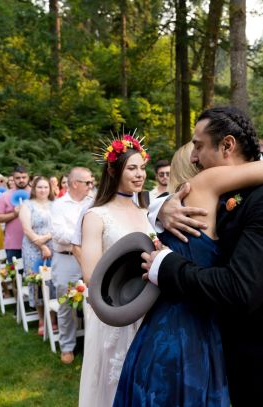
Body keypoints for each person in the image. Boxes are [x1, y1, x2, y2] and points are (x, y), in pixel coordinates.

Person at [139, 107, 263, 406]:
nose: (194, 157)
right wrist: (160, 208)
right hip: (227, 363)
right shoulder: (225, 193)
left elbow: (240, 289)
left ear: (227, 145)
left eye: (198, 146)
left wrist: (166, 266)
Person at [77, 136, 153, 407]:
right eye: (132, 168)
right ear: (113, 170)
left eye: (142, 168)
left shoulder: (148, 211)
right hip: (115, 310)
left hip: (149, 305)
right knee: (114, 380)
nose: (140, 174)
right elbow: (91, 275)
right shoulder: (96, 216)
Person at [50, 167, 94, 364]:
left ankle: (92, 345)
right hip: (66, 258)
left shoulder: (93, 203)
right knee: (66, 303)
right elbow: (59, 233)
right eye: (88, 183)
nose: (91, 186)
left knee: (94, 299)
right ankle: (67, 346)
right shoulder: (58, 205)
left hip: (90, 256)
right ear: (75, 183)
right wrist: (86, 236)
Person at [19, 176, 55, 336]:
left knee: (53, 282)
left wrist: (47, 240)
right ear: (34, 189)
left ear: (50, 188)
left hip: (53, 246)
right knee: (38, 283)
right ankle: (41, 318)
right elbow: (27, 229)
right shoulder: (27, 205)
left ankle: (53, 318)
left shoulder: (55, 205)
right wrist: (41, 245)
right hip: (32, 248)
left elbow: (60, 226)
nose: (43, 190)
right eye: (40, 187)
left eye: (45, 187)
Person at [0, 166, 31, 264]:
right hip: (14, 244)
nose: (21, 180)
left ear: (28, 177)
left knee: (37, 275)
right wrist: (14, 214)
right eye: (18, 178)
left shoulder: (36, 193)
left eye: (24, 177)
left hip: (35, 242)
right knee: (16, 275)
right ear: (13, 179)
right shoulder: (5, 196)